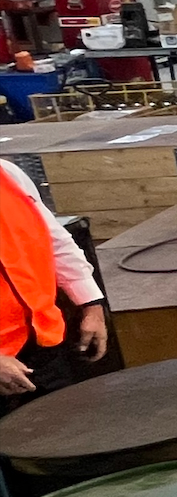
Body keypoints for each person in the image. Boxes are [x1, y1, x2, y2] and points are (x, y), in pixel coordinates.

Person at [0, 158, 108, 434]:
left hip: (42, 350)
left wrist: (91, 305)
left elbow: (54, 241)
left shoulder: (8, 175)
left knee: (67, 442)